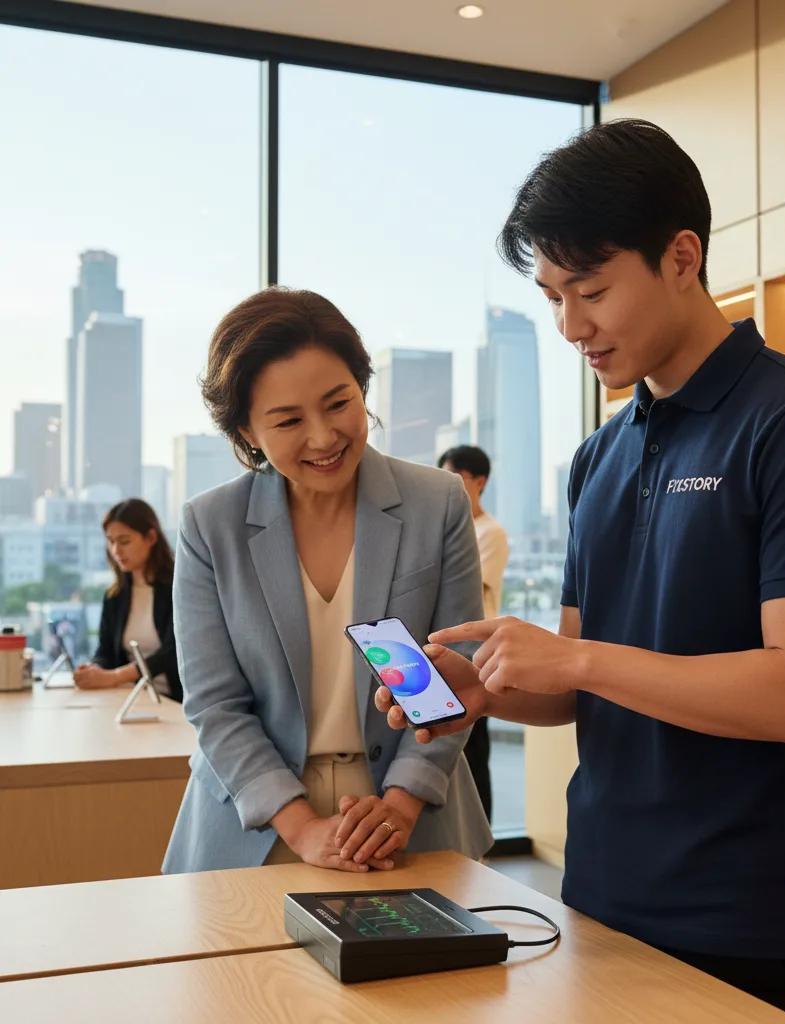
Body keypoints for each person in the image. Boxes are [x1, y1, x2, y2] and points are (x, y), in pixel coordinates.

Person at [376, 119, 785, 1024]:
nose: (571, 326)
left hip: (748, 922)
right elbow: (588, 685)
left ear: (682, 257)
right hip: (601, 894)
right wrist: (487, 691)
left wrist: (575, 659)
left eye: (592, 291)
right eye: (552, 297)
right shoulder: (599, 457)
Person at [162, 288, 491, 876]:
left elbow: (454, 673)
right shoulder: (210, 526)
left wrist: (399, 806)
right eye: (289, 420)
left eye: (339, 404)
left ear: (362, 390)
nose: (323, 437)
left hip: (411, 821)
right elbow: (215, 704)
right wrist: (304, 829)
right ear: (247, 431)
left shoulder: (437, 503)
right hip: (256, 829)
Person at [438, 445, 509, 822]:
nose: (446, 483)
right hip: (448, 652)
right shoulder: (447, 528)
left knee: (474, 752)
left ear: (479, 482)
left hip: (477, 657)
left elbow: (466, 589)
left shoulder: (489, 532)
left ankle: (482, 841)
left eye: (455, 476)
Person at [73, 498, 181, 702]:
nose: (116, 551)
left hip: (175, 700)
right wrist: (95, 669)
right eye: (111, 541)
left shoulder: (179, 587)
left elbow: (172, 652)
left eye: (124, 541)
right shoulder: (115, 595)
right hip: (131, 698)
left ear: (150, 538)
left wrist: (115, 677)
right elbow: (105, 650)